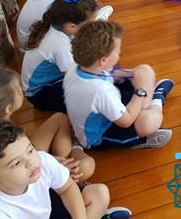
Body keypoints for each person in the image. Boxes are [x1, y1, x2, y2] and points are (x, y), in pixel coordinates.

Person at [0, 67, 96, 210]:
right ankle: (67, 177)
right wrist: (51, 164)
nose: (22, 90)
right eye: (19, 89)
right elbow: (18, 170)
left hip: (17, 166)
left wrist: (52, 162)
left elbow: (21, 154)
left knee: (60, 119)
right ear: (8, 108)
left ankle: (64, 174)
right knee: (87, 166)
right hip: (16, 184)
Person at [0, 121, 131, 219]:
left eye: (30, 150)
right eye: (16, 163)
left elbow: (67, 188)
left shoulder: (41, 161)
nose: (30, 162)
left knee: (99, 193)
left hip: (48, 211)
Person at [64, 21, 174, 149]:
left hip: (108, 105)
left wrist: (131, 74)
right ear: (103, 60)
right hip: (102, 134)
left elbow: (107, 74)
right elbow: (126, 121)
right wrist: (140, 90)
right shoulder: (101, 92)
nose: (119, 52)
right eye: (117, 51)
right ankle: (157, 98)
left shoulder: (77, 67)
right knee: (149, 122)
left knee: (145, 70)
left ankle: (145, 105)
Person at [22, 0, 100, 113]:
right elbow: (75, 75)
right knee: (90, 98)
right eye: (90, 24)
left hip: (45, 82)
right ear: (72, 26)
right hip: (40, 93)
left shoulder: (57, 25)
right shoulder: (59, 45)